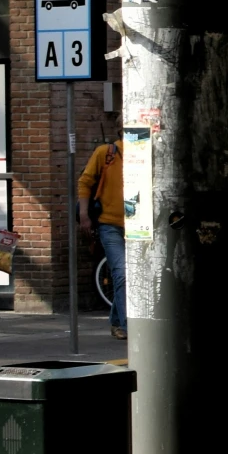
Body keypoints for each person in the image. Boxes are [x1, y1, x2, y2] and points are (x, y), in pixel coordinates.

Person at [76, 128, 126, 339]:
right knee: (123, 272)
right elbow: (85, 182)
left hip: (139, 227)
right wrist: (84, 215)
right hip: (110, 224)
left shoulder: (146, 152)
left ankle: (116, 321)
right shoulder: (107, 152)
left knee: (125, 275)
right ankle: (127, 325)